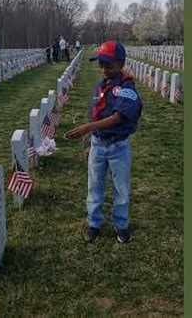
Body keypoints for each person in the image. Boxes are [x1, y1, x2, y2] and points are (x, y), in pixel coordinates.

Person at [65, 40, 143, 244]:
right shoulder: (101, 85)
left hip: (118, 147)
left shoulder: (127, 88)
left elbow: (118, 117)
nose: (103, 69)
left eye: (108, 64)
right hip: (98, 145)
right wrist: (89, 143)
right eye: (100, 64)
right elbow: (95, 114)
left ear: (120, 63)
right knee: (94, 186)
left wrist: (87, 129)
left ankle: (121, 224)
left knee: (121, 189)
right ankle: (94, 223)